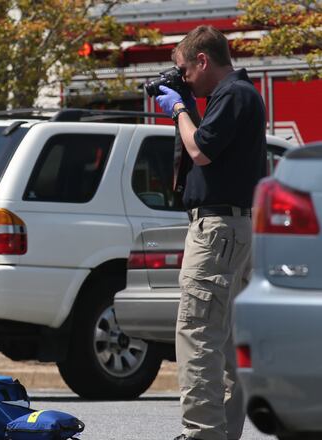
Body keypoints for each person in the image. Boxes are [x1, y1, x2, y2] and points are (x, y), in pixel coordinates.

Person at [155, 26, 267, 440]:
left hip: (218, 230)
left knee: (197, 333)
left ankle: (203, 433)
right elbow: (211, 147)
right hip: (235, 229)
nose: (181, 79)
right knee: (227, 345)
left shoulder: (234, 95)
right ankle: (219, 433)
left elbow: (200, 150)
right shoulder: (240, 96)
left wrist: (179, 110)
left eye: (183, 70)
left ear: (203, 60)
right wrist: (187, 106)